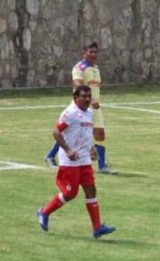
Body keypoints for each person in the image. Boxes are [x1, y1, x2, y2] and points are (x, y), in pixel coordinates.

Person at [37, 85, 116, 239]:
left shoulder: (89, 113)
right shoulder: (70, 113)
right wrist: (67, 150)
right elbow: (56, 131)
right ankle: (44, 212)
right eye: (84, 96)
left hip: (84, 159)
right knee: (70, 193)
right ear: (76, 97)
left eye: (89, 96)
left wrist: (92, 148)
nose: (87, 99)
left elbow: (86, 133)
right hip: (70, 160)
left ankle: (97, 228)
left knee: (91, 190)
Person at [45, 42, 118, 174]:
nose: (94, 54)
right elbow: (78, 85)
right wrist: (90, 99)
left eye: (95, 52)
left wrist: (95, 102)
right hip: (79, 108)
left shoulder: (96, 69)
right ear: (84, 53)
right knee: (70, 133)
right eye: (91, 52)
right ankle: (50, 155)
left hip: (94, 108)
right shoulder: (79, 68)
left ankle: (102, 166)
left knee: (100, 133)